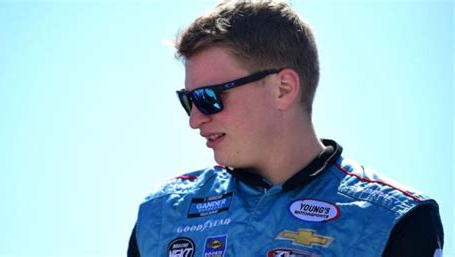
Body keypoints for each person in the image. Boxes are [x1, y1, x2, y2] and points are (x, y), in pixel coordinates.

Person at [128, 1, 444, 256]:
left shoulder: (394, 220)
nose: (195, 119)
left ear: (283, 88)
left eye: (209, 98)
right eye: (188, 100)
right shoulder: (162, 213)